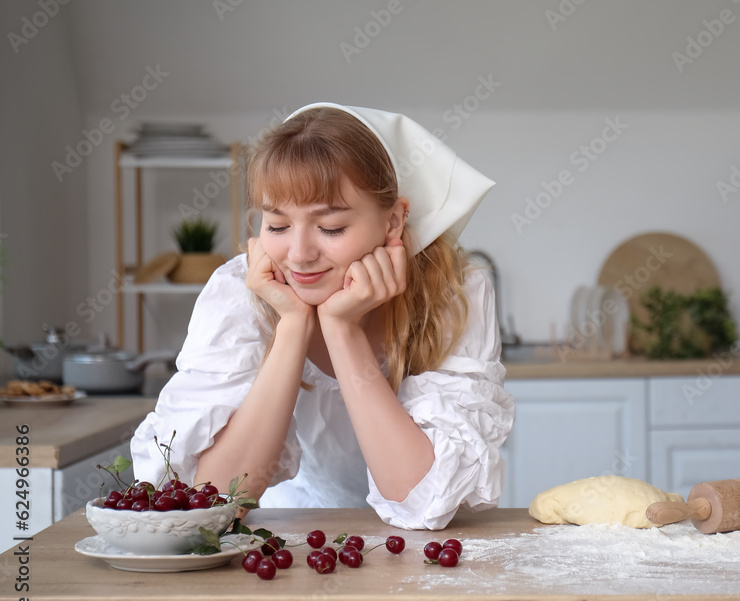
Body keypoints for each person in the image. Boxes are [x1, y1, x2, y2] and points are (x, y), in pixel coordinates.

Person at [130, 103, 515, 530]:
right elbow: (212, 505)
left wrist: (341, 328)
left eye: (330, 228)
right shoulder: (239, 291)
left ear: (393, 220)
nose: (299, 255)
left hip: (421, 548)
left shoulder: (453, 295)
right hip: (292, 534)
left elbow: (423, 503)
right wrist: (293, 326)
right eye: (277, 226)